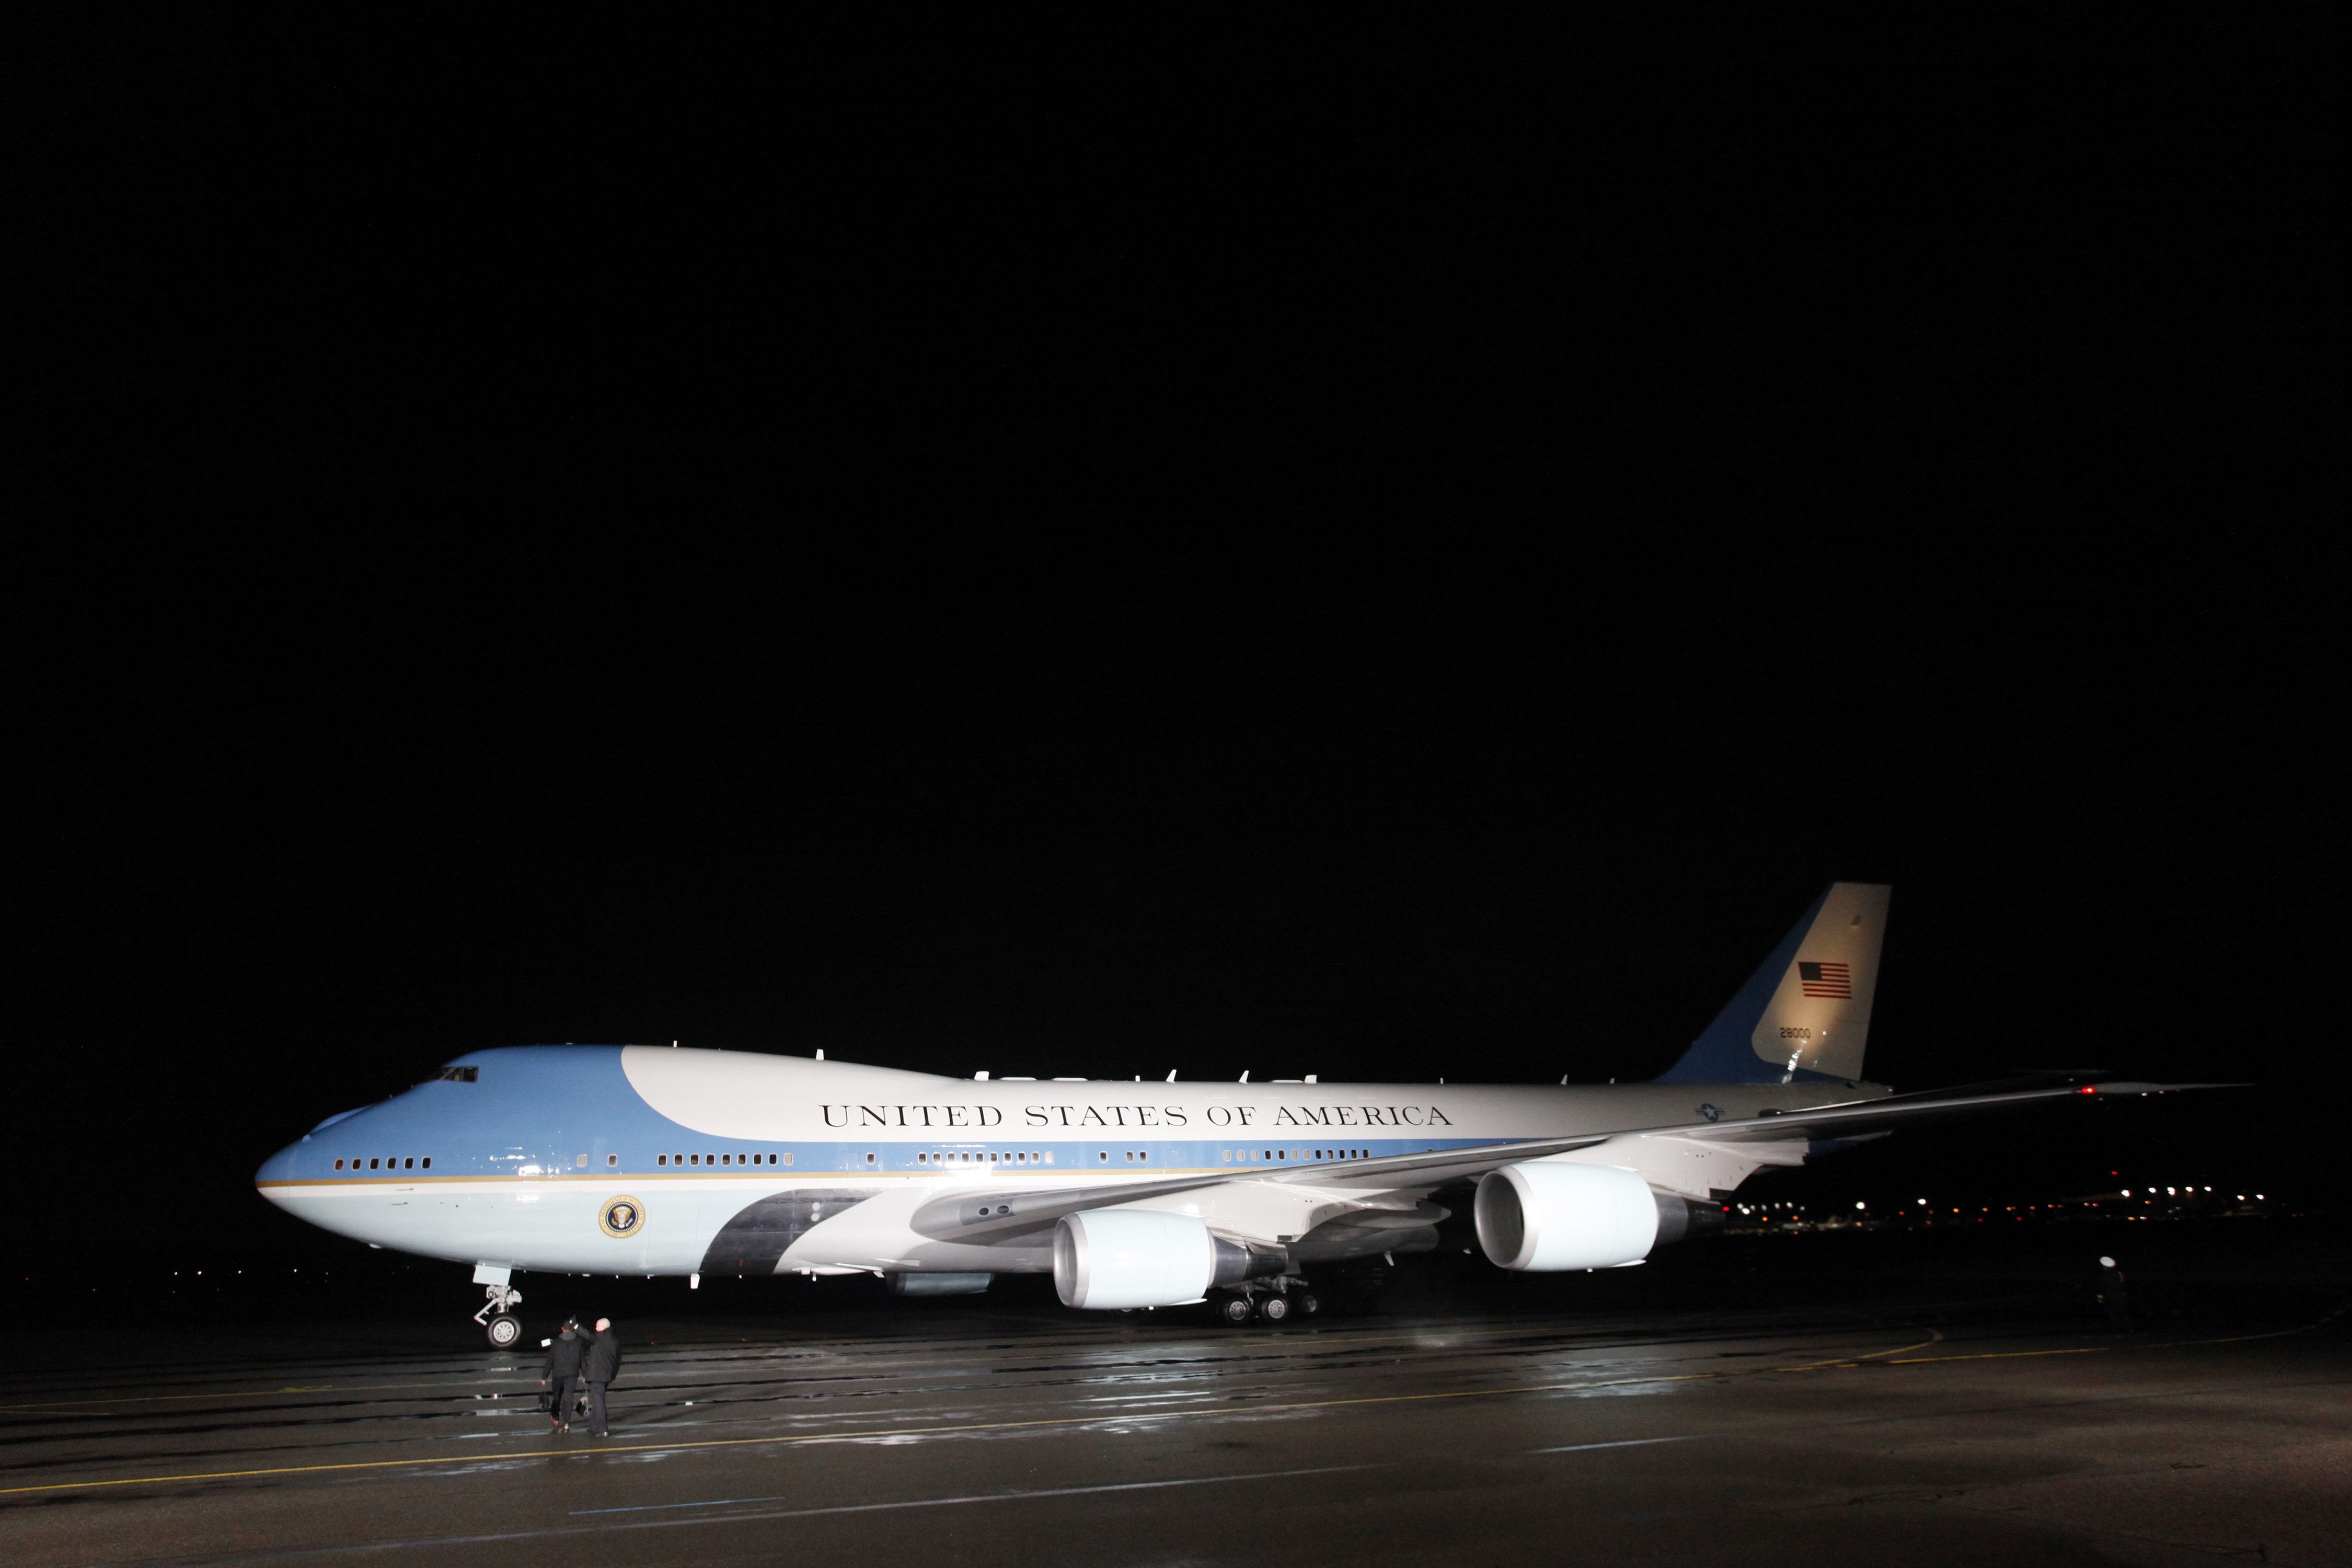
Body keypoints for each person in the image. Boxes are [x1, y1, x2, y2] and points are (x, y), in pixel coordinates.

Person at [540, 1318, 587, 1434]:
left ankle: (555, 1417)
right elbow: (583, 1361)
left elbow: (550, 1361)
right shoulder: (579, 1342)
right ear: (572, 1329)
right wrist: (586, 1375)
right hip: (572, 1374)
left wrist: (544, 1377)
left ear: (562, 1329)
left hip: (558, 1374)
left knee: (557, 1396)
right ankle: (566, 1423)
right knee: (569, 1398)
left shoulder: (556, 1343)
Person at [582, 1316, 622, 1437]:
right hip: (606, 1375)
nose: (596, 1328)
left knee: (599, 1401)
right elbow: (618, 1360)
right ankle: (594, 1427)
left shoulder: (601, 1337)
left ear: (605, 1327)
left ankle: (602, 1429)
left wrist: (576, 1326)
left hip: (598, 1376)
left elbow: (588, 1336)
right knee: (598, 1400)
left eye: (598, 1326)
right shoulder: (615, 1340)